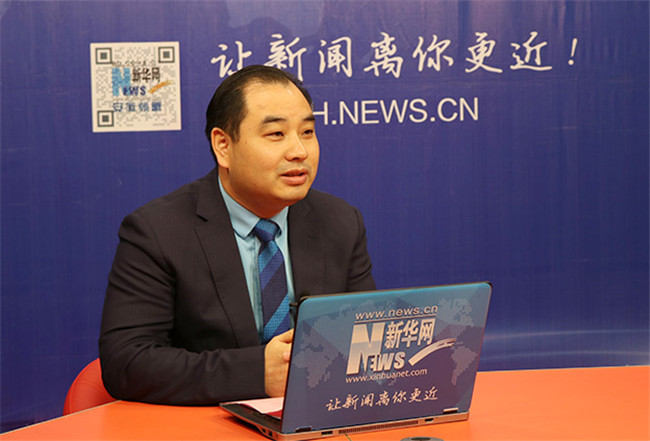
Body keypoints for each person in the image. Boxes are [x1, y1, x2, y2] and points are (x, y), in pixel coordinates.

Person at [99, 65, 376, 405]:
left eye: (307, 132)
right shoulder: (158, 231)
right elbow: (127, 361)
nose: (299, 151)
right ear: (223, 146)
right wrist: (256, 373)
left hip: (316, 416)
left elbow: (366, 339)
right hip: (207, 422)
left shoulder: (340, 222)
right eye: (276, 134)